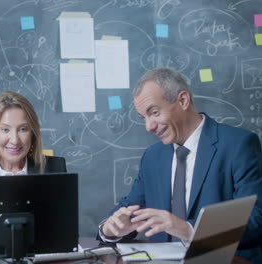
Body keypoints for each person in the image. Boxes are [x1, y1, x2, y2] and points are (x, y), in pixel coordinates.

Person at [97, 68, 262, 262]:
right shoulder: (153, 157)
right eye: (144, 118)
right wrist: (110, 229)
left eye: (154, 112)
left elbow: (256, 219)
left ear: (183, 100)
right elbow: (129, 208)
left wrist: (188, 230)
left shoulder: (238, 145)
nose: (149, 126)